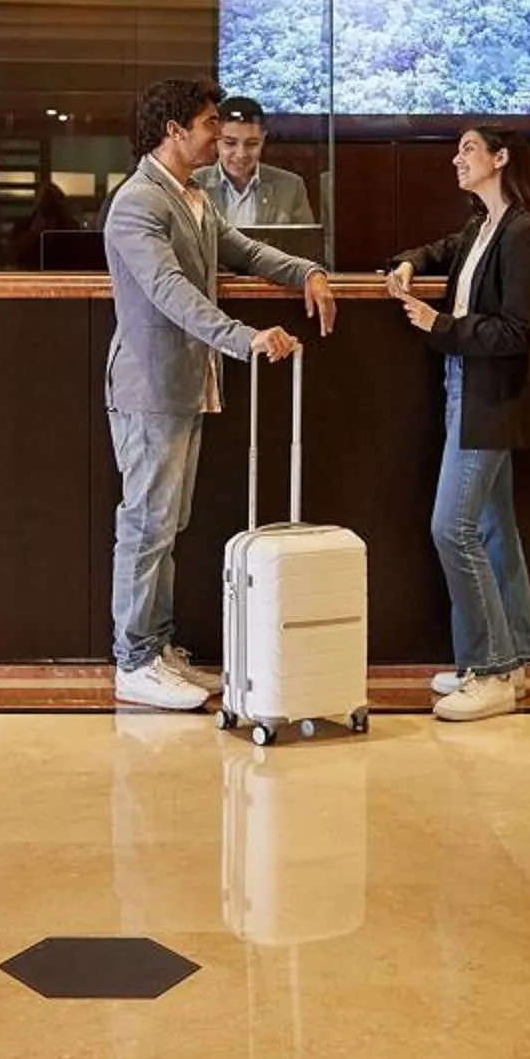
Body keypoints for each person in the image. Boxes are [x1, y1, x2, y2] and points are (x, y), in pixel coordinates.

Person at [103, 77, 339, 710]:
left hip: (185, 386)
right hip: (151, 388)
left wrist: (307, 271)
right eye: (210, 125)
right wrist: (244, 339)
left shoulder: (193, 195)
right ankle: (133, 661)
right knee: (147, 525)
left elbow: (243, 250)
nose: (219, 134)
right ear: (175, 131)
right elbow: (171, 291)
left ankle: (157, 648)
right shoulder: (137, 203)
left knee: (168, 523)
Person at [385, 125, 530, 722]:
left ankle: (489, 671)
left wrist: (439, 325)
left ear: (501, 158)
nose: (456, 159)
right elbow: (437, 252)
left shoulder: (523, 233)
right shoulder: (482, 226)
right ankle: (511, 662)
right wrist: (407, 264)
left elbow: (517, 332)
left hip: (491, 398)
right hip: (468, 387)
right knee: (491, 528)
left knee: (451, 527)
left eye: (469, 150)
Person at [192, 95, 316, 228]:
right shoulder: (193, 184)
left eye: (251, 144)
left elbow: (308, 245)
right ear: (215, 138)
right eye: (230, 143)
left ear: (263, 139)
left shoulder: (290, 187)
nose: (241, 154)